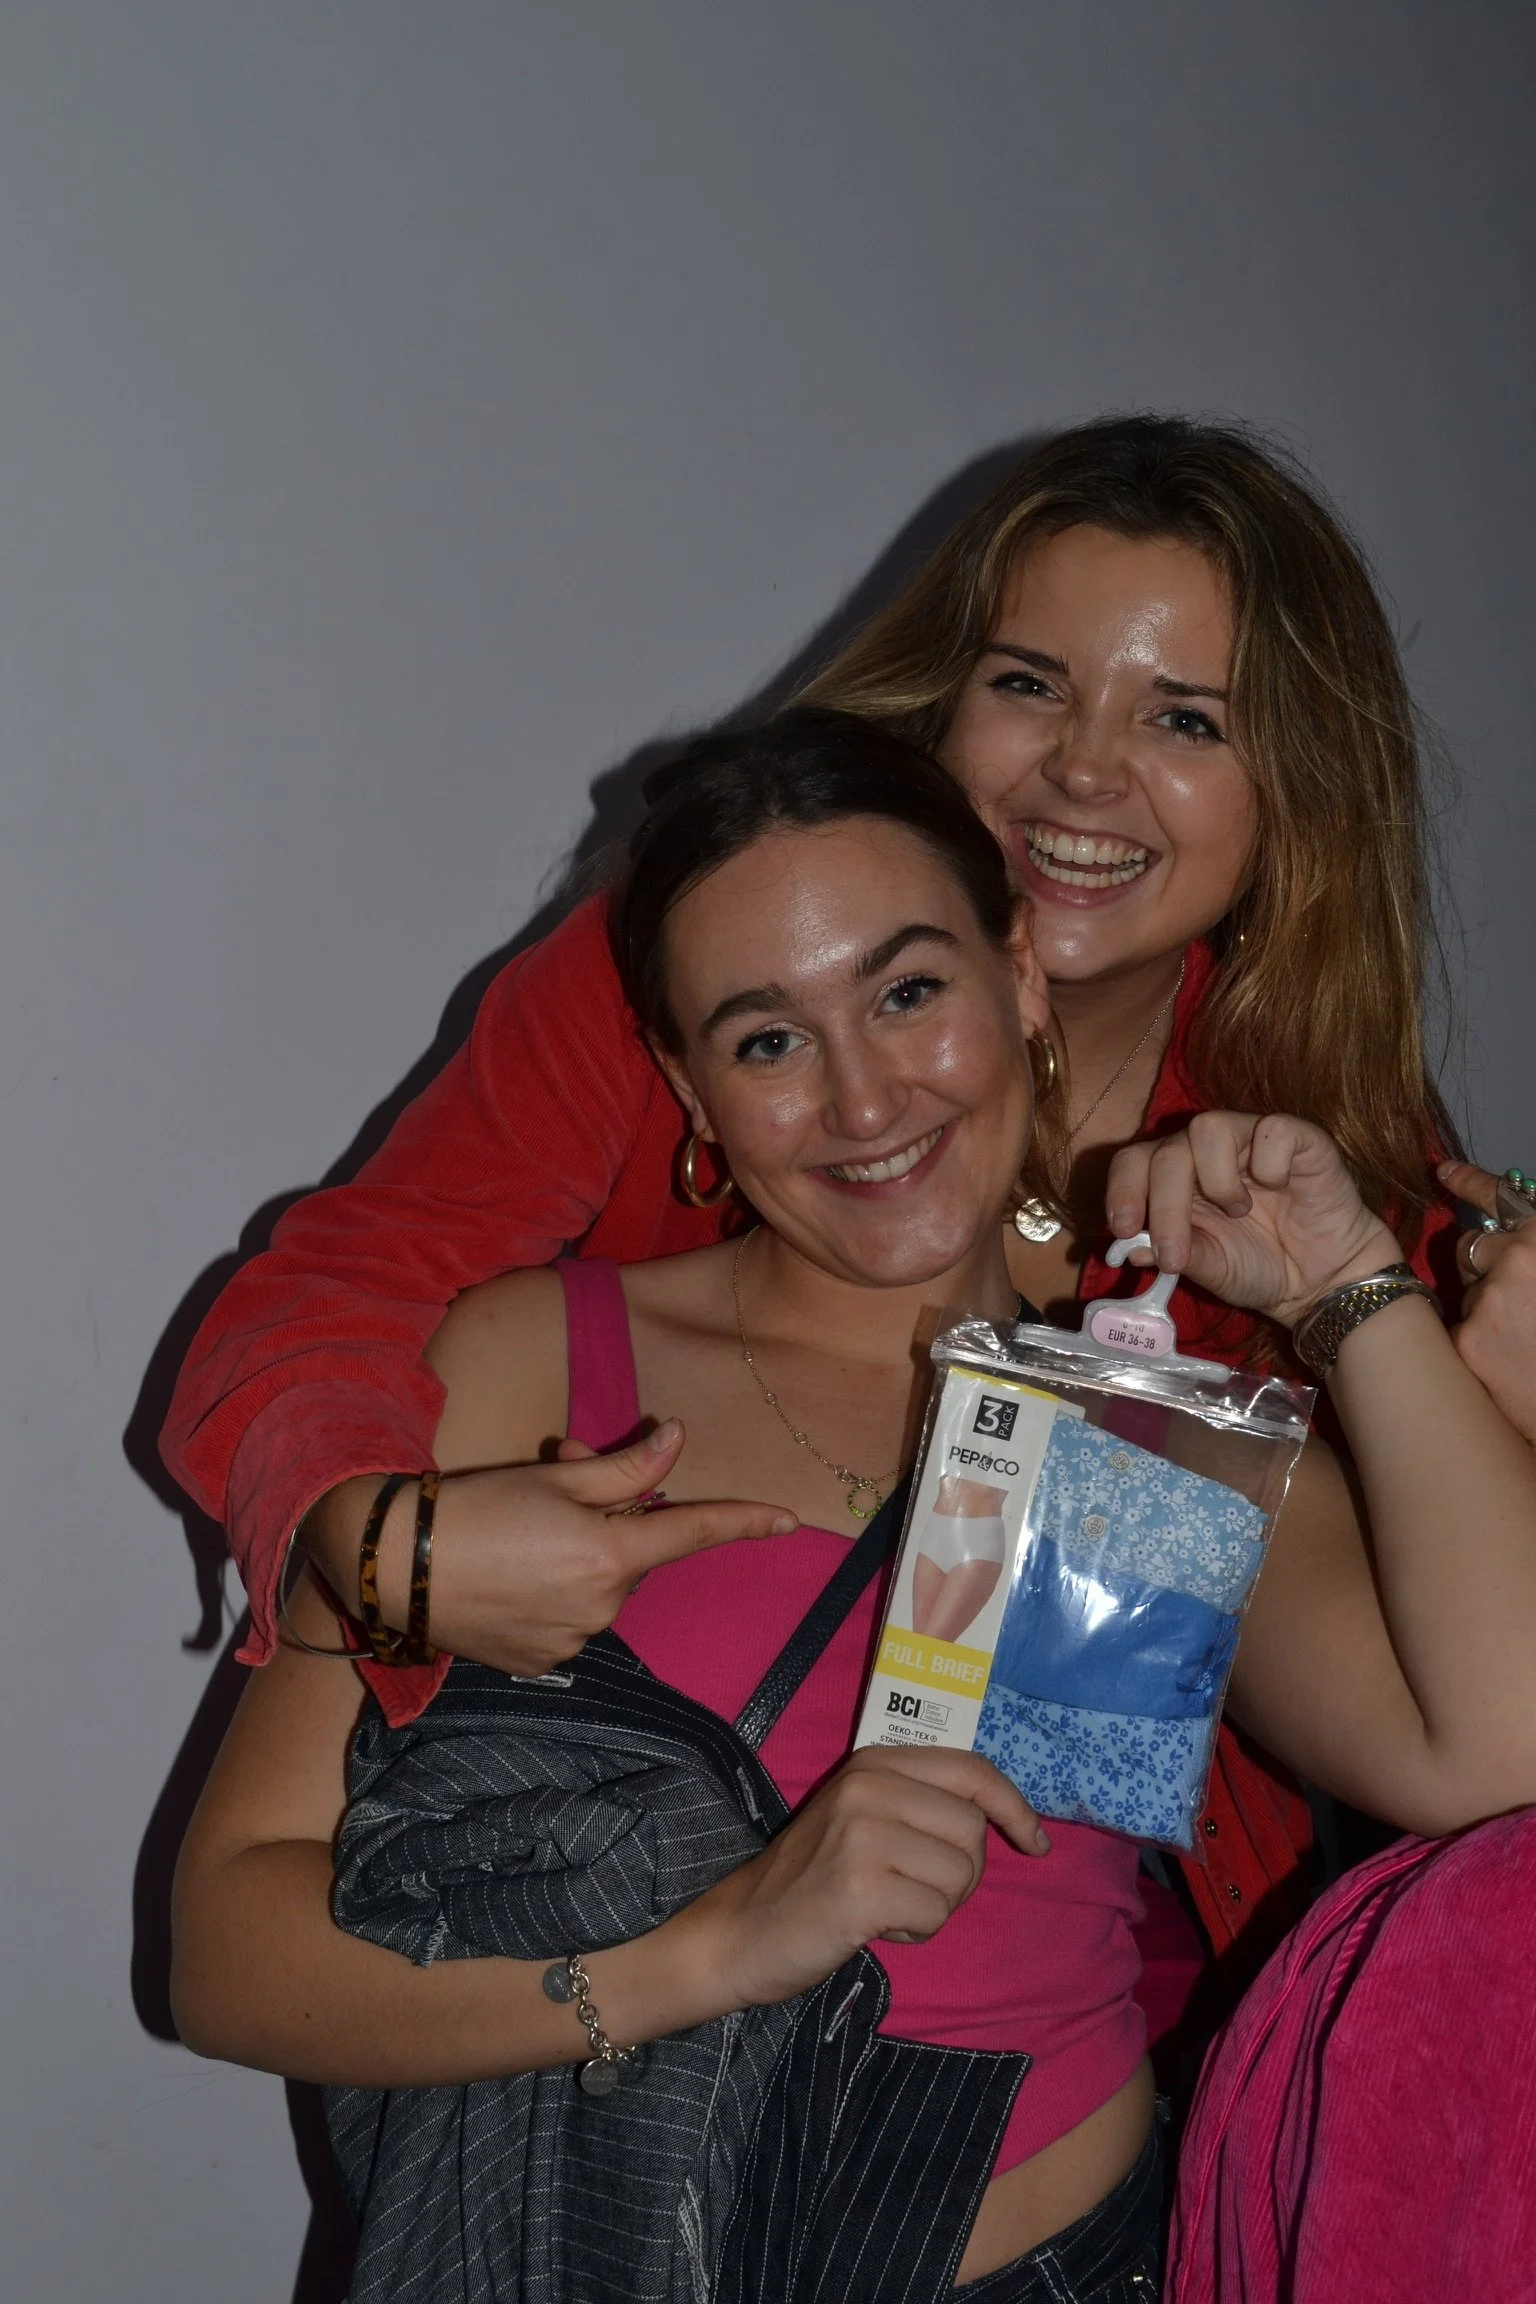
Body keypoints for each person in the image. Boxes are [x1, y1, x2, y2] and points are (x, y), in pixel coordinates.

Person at [171, 714, 1536, 2302]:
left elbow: (1500, 1757)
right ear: (686, 1085)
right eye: (768, 1041)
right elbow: (226, 1950)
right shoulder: (533, 1362)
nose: (864, 1098)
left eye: (907, 993)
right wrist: (709, 1953)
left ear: (1020, 978)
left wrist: (1350, 1287)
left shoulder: (1144, 1432)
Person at [159, 415, 1462, 1981]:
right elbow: (336, 1297)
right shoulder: (687, 972)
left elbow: (1462, 1672)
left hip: (1117, 1986)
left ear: (1296, 789)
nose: (1084, 769)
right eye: (1029, 684)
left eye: (1184, 717)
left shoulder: (1315, 1132)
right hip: (662, 1967)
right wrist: (390, 1554)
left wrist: (1445, 1356)